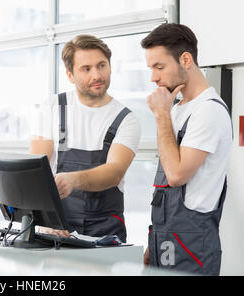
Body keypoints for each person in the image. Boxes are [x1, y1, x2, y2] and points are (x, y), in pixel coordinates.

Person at [30, 34, 141, 243]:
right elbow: (37, 169)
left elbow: (115, 172)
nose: (97, 75)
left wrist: (72, 179)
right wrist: (45, 221)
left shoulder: (126, 119)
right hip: (57, 228)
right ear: (70, 75)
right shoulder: (53, 107)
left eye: (102, 65)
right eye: (86, 69)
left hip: (106, 231)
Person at [141, 23, 232, 275]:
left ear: (185, 59)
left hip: (192, 245)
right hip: (165, 238)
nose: (153, 77)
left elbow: (177, 175)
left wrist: (161, 115)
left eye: (159, 67)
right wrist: (154, 241)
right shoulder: (178, 108)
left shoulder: (209, 110)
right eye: (151, 68)